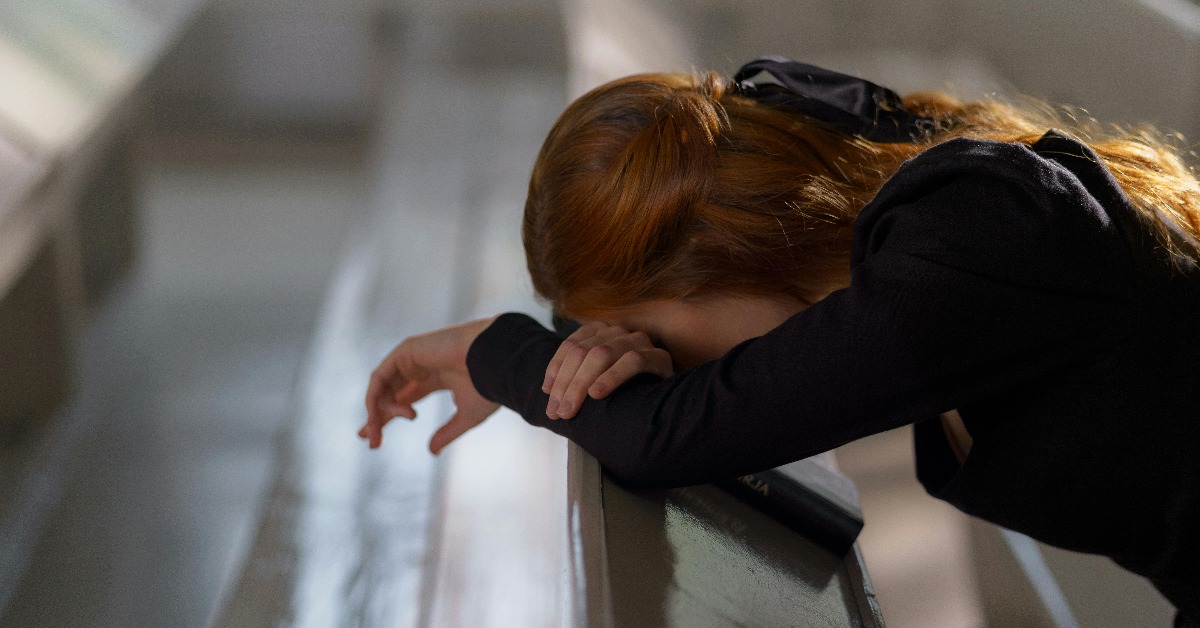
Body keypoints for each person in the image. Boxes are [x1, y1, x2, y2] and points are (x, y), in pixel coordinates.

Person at [361, 57, 1200, 621]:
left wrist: (496, 352)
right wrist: (562, 349)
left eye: (646, 332)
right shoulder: (944, 234)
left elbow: (672, 436)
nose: (663, 366)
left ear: (718, 258)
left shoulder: (972, 237)